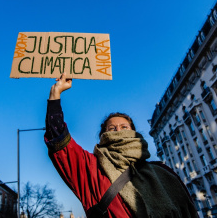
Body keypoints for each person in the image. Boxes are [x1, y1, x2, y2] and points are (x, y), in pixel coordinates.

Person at [44, 73, 198, 218]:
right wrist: (55, 94)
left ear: (134, 132)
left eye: (124, 127)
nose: (118, 131)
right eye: (112, 129)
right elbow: (59, 141)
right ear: (103, 136)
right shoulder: (92, 170)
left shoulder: (163, 172)